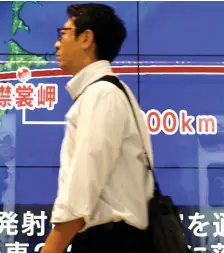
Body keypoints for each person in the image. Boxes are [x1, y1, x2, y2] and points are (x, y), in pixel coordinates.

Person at [41, 3, 155, 253]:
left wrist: (51, 249)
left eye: (64, 33)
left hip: (109, 241)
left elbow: (82, 189)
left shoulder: (101, 94)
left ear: (86, 38)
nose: (57, 44)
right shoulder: (112, 91)